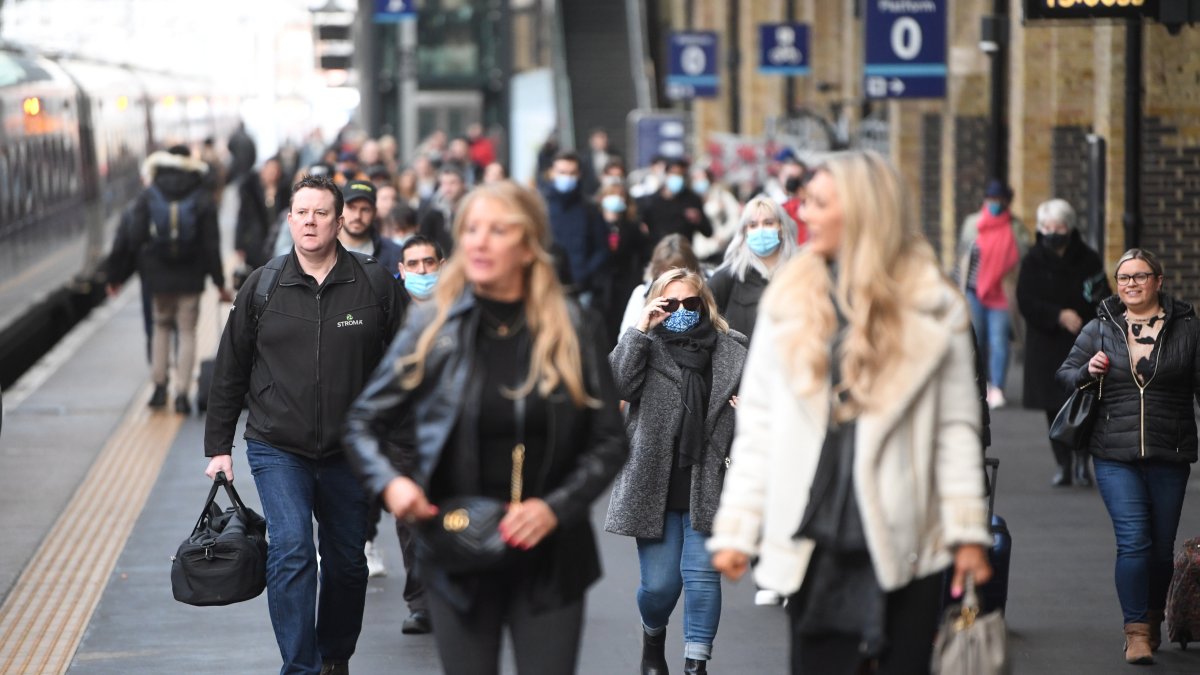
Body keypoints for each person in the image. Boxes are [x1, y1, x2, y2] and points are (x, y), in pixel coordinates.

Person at [708, 151, 993, 674]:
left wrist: (969, 531)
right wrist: (737, 529)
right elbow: (759, 428)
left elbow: (955, 429)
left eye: (819, 203)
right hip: (814, 531)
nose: (804, 214)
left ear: (864, 209)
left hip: (907, 532)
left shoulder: (934, 303)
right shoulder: (789, 298)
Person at [342, 180, 628, 675]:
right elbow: (363, 421)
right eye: (471, 229)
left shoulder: (572, 325)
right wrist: (392, 484)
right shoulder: (435, 325)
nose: (479, 242)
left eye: (498, 230)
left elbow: (608, 440)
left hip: (550, 552)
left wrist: (554, 508)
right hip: (457, 546)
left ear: (528, 244)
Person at [204, 174, 405, 675]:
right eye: (301, 213)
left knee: (347, 562)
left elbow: (405, 368)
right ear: (289, 220)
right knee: (291, 548)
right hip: (278, 446)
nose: (310, 222)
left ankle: (334, 655)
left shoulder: (374, 283)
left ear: (339, 222)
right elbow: (230, 369)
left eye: (321, 213)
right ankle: (300, 666)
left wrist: (399, 439)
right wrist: (219, 447)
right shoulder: (263, 285)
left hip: (350, 449)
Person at [1056, 248, 1198, 665]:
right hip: (1113, 451)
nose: (1131, 284)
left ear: (1158, 281)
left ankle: (1152, 619)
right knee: (1134, 541)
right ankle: (1135, 631)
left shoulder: (1188, 330)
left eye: (1140, 276)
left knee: (1161, 549)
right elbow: (1065, 374)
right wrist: (1088, 371)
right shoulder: (1100, 329)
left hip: (1170, 450)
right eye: (1123, 278)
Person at [606, 267, 747, 675]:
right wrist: (640, 329)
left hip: (711, 478)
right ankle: (653, 637)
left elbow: (763, 408)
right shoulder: (645, 345)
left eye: (691, 302)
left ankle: (695, 665)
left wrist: (748, 413)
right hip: (655, 482)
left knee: (702, 579)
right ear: (656, 303)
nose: (682, 310)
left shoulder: (733, 350)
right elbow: (617, 385)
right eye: (671, 303)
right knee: (660, 587)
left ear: (705, 305)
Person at [121, 145, 231, 414]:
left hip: (159, 277)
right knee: (187, 331)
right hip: (191, 276)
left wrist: (145, 265)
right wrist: (219, 282)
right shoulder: (202, 194)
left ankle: (159, 388)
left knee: (161, 327)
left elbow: (135, 237)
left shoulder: (150, 193)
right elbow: (211, 244)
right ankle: (182, 393)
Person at [1017, 198, 1110, 487]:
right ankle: (1063, 463)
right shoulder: (1032, 260)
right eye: (1047, 227)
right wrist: (1057, 315)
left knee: (1085, 401)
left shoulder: (1088, 259)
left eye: (1058, 227)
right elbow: (1025, 300)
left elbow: (1101, 295)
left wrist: (1082, 318)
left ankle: (1082, 461)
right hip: (1046, 343)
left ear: (1069, 227)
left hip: (1081, 341)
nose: (1052, 232)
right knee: (1052, 405)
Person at [956, 179, 1030, 409]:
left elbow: (1024, 258)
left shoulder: (1015, 228)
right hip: (974, 292)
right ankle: (980, 384)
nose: (994, 203)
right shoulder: (973, 224)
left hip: (1001, 295)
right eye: (991, 198)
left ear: (1006, 201)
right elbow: (963, 255)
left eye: (999, 199)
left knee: (999, 341)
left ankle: (997, 387)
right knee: (976, 340)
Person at [707, 195, 800, 341]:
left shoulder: (800, 272)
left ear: (781, 228)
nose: (760, 230)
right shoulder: (727, 276)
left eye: (768, 223)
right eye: (753, 225)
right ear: (745, 231)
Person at [541, 151, 610, 302]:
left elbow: (602, 248)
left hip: (581, 288)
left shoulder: (590, 209)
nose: (567, 177)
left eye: (572, 173)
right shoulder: (541, 207)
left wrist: (585, 273)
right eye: (562, 172)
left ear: (579, 174)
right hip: (546, 286)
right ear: (552, 173)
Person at [596, 181, 649, 345]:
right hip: (600, 285)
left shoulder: (632, 226)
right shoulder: (595, 224)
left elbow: (642, 254)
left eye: (620, 196)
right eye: (611, 195)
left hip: (625, 283)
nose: (616, 199)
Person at [619, 234, 702, 335]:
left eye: (690, 302)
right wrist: (642, 328)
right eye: (666, 272)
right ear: (657, 271)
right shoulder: (642, 294)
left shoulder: (704, 290)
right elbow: (624, 338)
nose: (671, 278)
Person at [640, 159, 713, 248]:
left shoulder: (692, 200)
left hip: (683, 251)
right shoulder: (651, 202)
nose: (677, 178)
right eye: (674, 173)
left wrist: (698, 220)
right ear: (666, 174)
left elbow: (708, 232)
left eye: (681, 174)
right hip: (658, 252)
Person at [337, 180, 403, 274]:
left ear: (375, 212)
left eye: (365, 209)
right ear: (340, 209)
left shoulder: (394, 254)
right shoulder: (324, 248)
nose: (357, 216)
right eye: (352, 208)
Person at [236, 156, 289, 270]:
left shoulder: (284, 191)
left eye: (275, 171)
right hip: (255, 241)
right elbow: (242, 217)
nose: (272, 174)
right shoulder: (251, 190)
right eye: (269, 170)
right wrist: (239, 244)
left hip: (275, 240)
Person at [689, 166, 742, 264]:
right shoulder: (690, 198)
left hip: (718, 248)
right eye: (695, 178)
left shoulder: (721, 195)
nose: (699, 181)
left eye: (702, 177)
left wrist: (724, 235)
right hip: (698, 250)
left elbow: (735, 216)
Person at [419, 167, 467, 256]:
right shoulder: (432, 212)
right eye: (444, 184)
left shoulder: (473, 209)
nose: (448, 188)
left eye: (453, 183)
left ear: (463, 184)